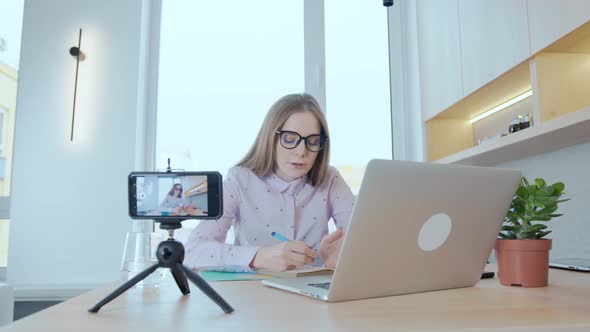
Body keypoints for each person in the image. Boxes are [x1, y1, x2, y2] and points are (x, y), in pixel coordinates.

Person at [185, 93, 354, 271]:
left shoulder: (330, 179)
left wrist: (340, 257)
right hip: (253, 293)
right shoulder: (239, 179)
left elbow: (365, 241)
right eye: (289, 139)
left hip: (311, 294)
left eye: (312, 141)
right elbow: (194, 252)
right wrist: (259, 257)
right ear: (270, 138)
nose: (301, 152)